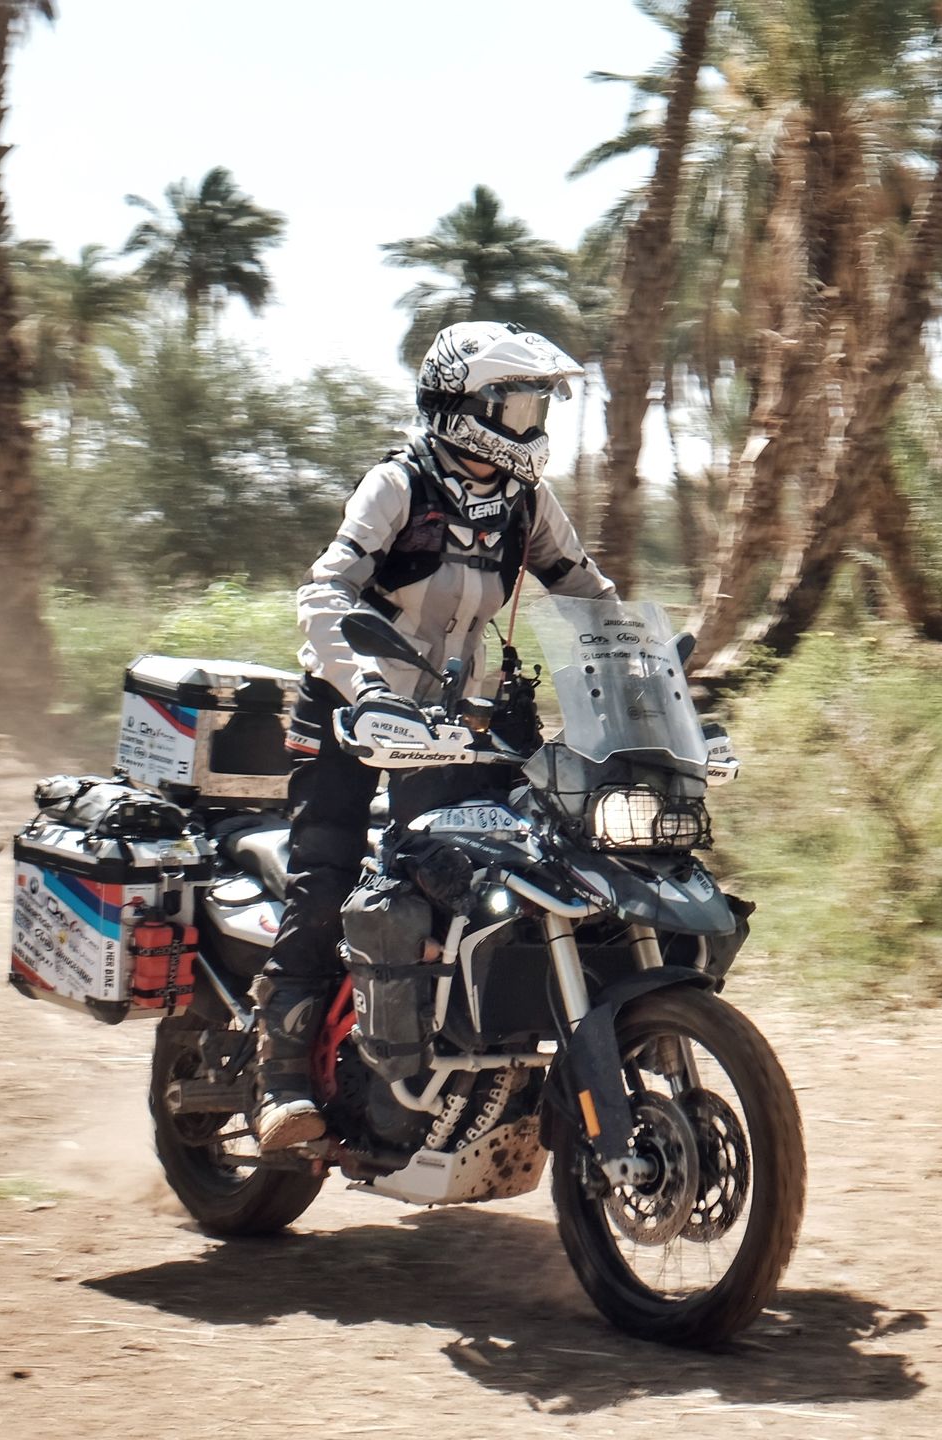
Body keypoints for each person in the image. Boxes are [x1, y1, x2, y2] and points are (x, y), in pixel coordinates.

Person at [252, 321, 618, 1149]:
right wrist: (369, 688)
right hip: (350, 708)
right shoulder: (398, 484)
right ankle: (281, 1080)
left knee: (469, 875)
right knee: (327, 875)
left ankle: (444, 1058)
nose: (529, 424)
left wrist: (644, 668)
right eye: (515, 406)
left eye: (534, 408)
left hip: (454, 720)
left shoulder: (525, 502)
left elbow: (587, 593)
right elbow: (324, 595)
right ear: (463, 405)